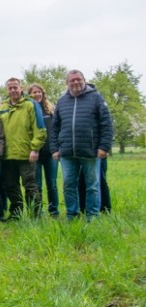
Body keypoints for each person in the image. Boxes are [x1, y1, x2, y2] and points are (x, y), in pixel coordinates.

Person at [50, 70, 113, 220]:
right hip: (67, 153)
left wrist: (104, 147)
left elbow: (106, 124)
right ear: (67, 83)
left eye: (78, 79)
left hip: (90, 151)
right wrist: (54, 148)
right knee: (69, 185)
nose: (75, 82)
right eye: (72, 80)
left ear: (84, 80)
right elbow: (55, 127)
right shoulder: (62, 101)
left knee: (92, 185)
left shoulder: (96, 98)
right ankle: (72, 214)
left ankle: (92, 215)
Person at [0, 78, 46, 219]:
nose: (13, 90)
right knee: (11, 186)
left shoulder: (31, 105)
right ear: (7, 90)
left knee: (30, 186)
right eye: (10, 88)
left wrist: (35, 149)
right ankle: (16, 213)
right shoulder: (3, 107)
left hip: (26, 154)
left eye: (15, 87)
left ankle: (35, 215)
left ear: (21, 88)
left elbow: (40, 129)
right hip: (7, 155)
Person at [26, 83, 59, 217]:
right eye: (34, 92)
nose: (37, 94)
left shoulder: (51, 110)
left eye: (39, 92)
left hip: (50, 153)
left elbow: (57, 130)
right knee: (37, 185)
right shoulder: (29, 110)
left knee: (52, 184)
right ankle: (39, 211)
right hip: (36, 153)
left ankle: (54, 211)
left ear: (43, 94)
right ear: (29, 95)